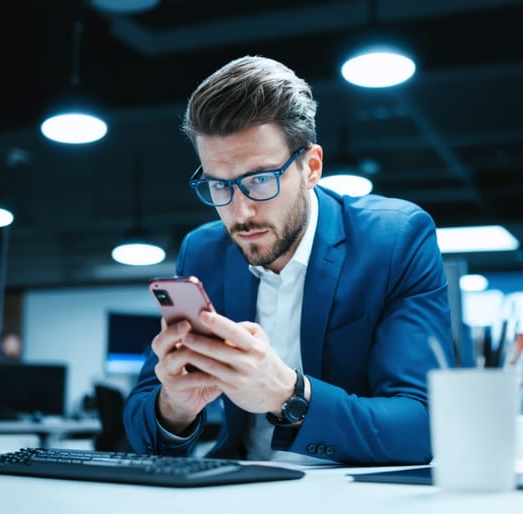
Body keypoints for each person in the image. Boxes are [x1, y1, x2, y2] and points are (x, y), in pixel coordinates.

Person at [123, 55, 452, 465]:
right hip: (241, 490)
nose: (240, 213)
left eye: (260, 179)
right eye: (218, 185)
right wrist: (175, 405)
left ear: (311, 167)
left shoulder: (395, 239)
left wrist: (287, 393)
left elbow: (423, 426)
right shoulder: (203, 251)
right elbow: (139, 430)